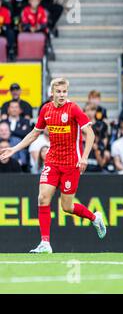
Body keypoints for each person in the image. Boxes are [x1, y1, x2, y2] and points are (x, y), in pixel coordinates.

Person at [0, 78, 106, 253]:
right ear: (52, 93)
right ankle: (45, 243)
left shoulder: (73, 109)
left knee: (67, 207)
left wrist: (85, 157)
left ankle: (95, 218)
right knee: (42, 198)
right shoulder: (46, 109)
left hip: (72, 163)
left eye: (64, 91)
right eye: (59, 92)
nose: (62, 95)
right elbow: (35, 133)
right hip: (52, 161)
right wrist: (14, 149)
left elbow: (90, 133)